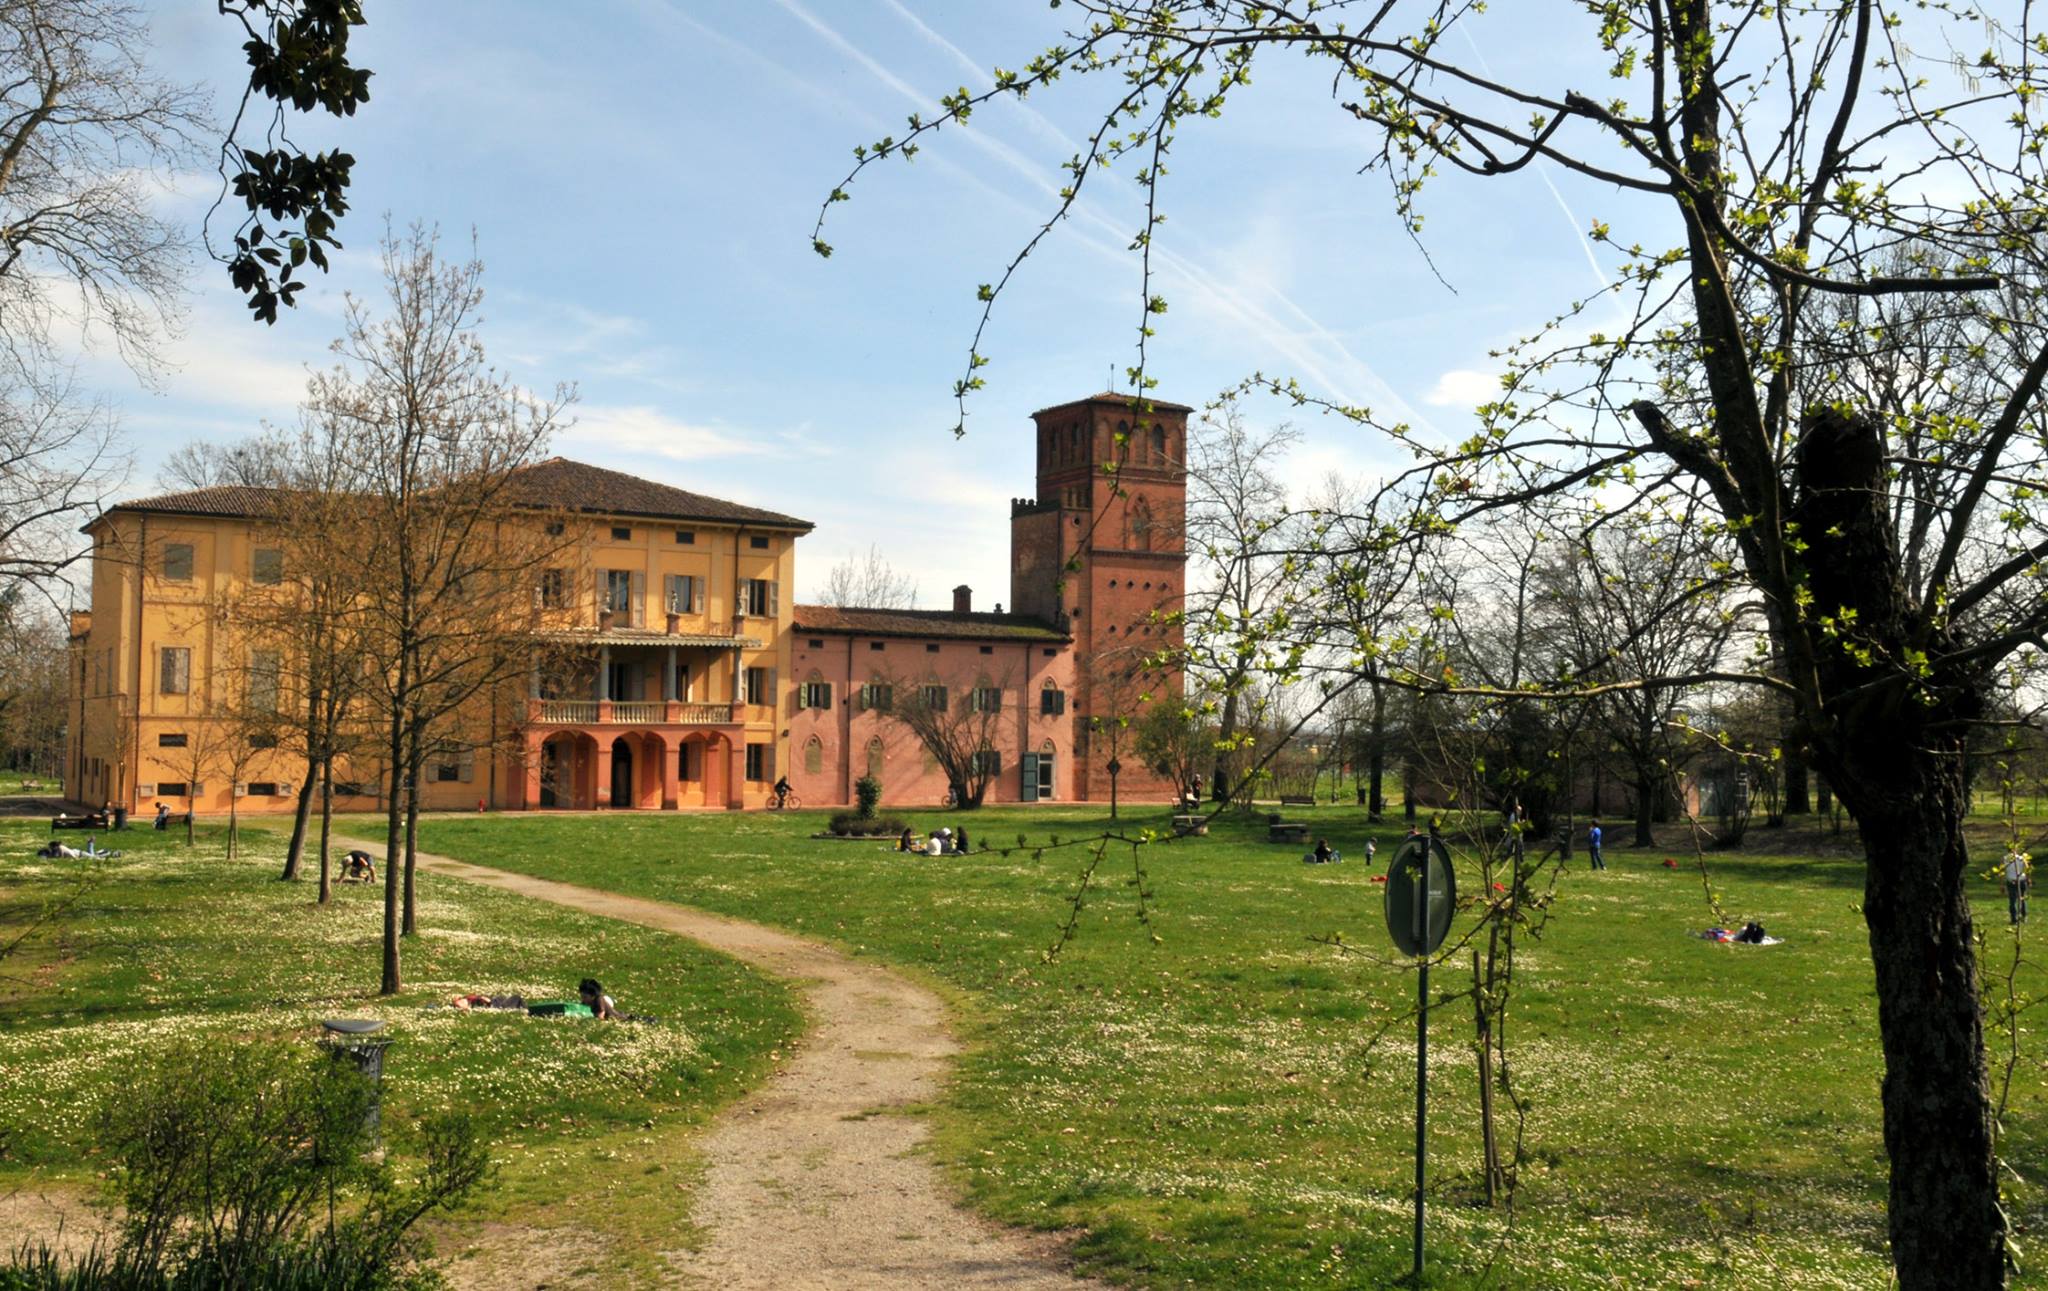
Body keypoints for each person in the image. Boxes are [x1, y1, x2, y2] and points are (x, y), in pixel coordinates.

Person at [2006, 847, 2031, 924]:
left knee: (2012, 901)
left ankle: (2014, 919)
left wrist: (2001, 884)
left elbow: (2002, 871)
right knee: (2022, 899)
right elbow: (2027, 869)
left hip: (2011, 881)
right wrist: (2028, 879)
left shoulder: (2005, 859)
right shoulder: (2022, 858)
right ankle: (2024, 916)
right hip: (2021, 880)